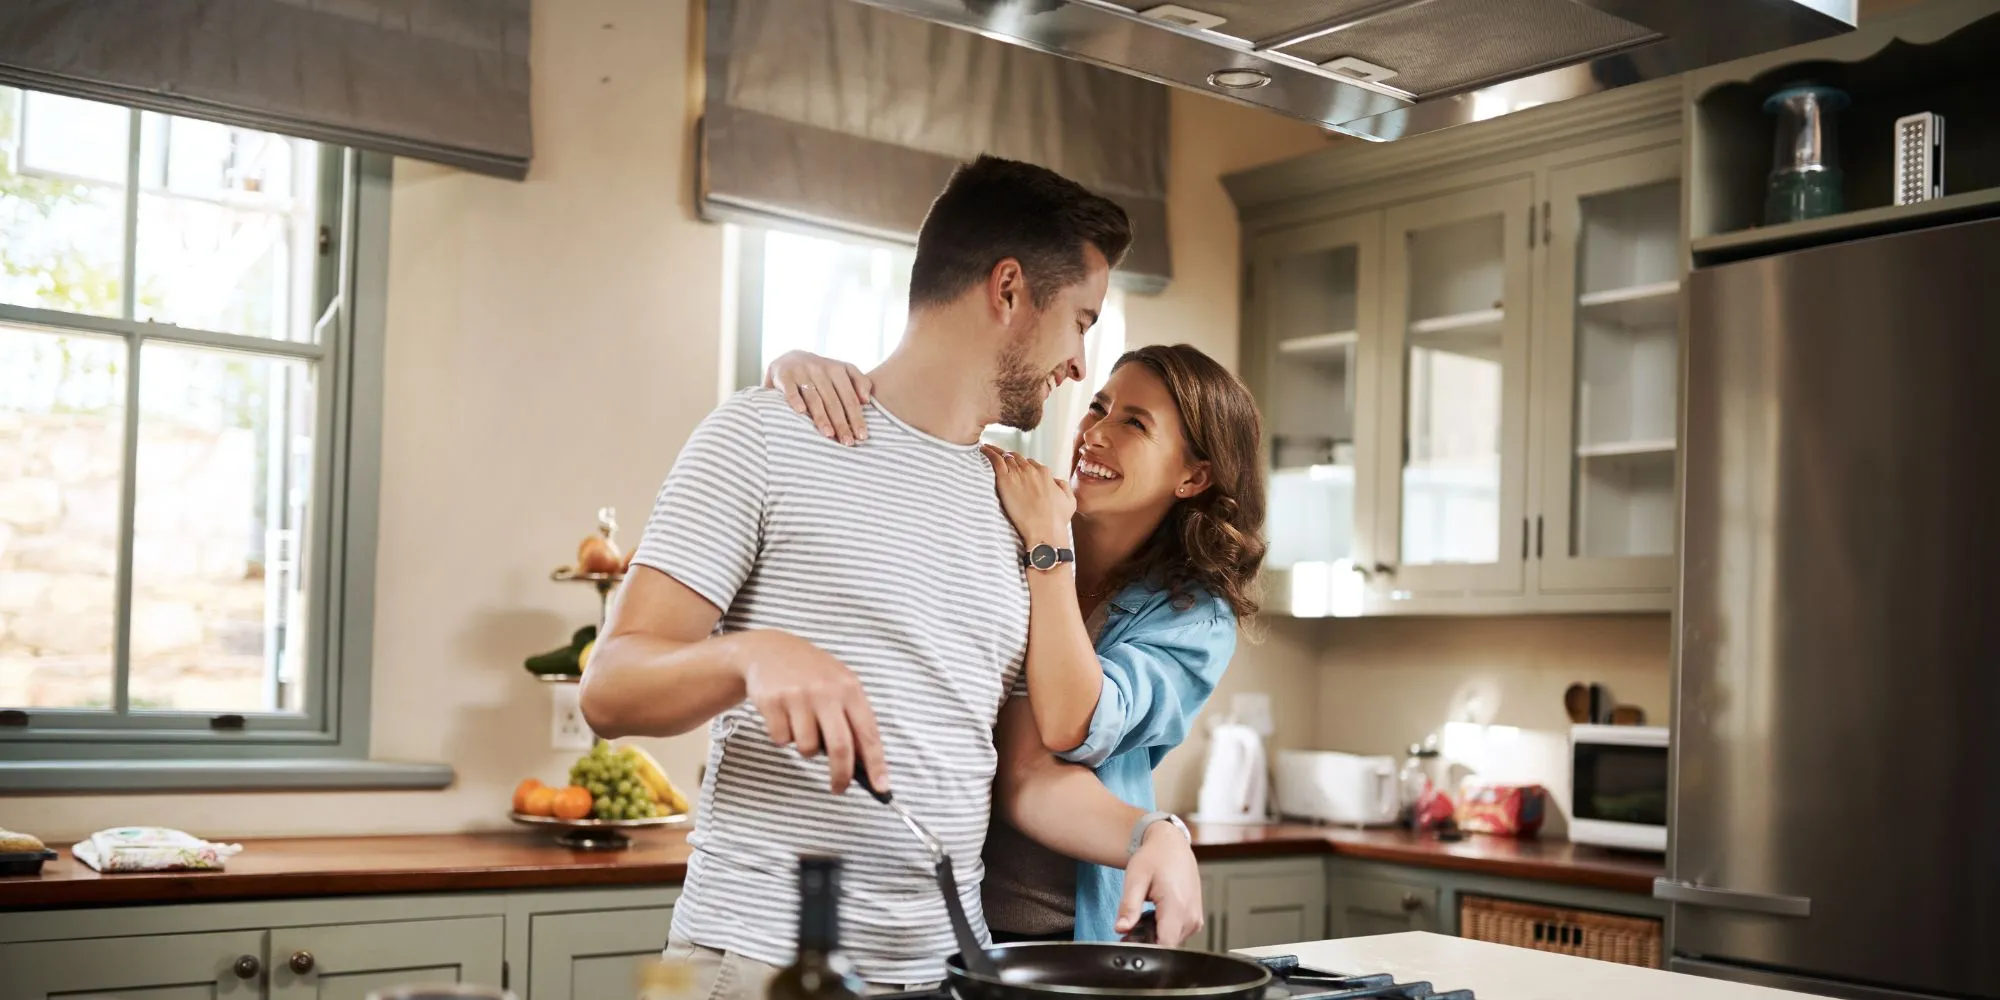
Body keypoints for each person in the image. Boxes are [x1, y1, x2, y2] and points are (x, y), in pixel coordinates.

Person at [579, 155, 1204, 1000]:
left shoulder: (1022, 510)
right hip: (759, 964)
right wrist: (750, 657)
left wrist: (1151, 832)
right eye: (1082, 321)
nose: (1080, 366)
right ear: (1010, 290)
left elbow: (1023, 777)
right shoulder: (765, 436)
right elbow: (609, 688)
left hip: (949, 971)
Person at [765, 342, 1267, 942]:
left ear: (1193, 476)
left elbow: (1070, 725)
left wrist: (1050, 548)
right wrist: (792, 370)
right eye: (1099, 407)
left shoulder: (1190, 615)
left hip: (1067, 931)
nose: (1096, 432)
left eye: (1134, 423)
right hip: (943, 924)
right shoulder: (1012, 513)